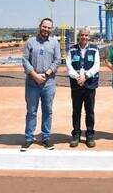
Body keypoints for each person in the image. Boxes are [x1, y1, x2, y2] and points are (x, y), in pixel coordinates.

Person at [21, 18, 61, 152]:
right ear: (40, 26)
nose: (46, 30)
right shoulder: (30, 42)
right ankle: (28, 138)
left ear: (52, 29)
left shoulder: (55, 43)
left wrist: (47, 73)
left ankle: (46, 137)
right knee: (31, 111)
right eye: (44, 27)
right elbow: (25, 60)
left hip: (48, 83)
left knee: (47, 111)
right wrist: (35, 75)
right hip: (32, 83)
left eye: (49, 28)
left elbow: (57, 60)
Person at [66, 27, 100, 148]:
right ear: (78, 36)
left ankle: (90, 134)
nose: (84, 37)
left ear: (88, 37)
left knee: (89, 111)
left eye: (86, 35)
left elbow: (96, 65)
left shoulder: (94, 49)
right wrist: (77, 77)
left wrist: (85, 76)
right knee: (76, 110)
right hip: (76, 85)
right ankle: (76, 134)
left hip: (90, 84)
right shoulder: (71, 50)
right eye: (82, 35)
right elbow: (69, 66)